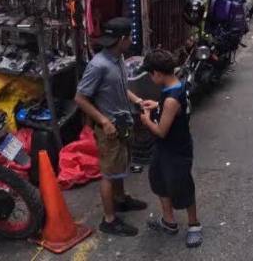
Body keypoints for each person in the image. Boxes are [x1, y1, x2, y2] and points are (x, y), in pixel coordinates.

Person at [75, 18, 149, 237]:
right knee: (108, 173)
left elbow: (121, 87)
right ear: (122, 39)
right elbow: (80, 98)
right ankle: (109, 219)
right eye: (129, 37)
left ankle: (120, 200)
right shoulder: (98, 65)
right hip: (109, 129)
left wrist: (136, 100)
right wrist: (104, 121)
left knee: (120, 166)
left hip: (122, 125)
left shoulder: (118, 58)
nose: (131, 40)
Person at [140, 49, 202, 248]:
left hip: (176, 149)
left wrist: (146, 119)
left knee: (182, 186)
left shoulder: (171, 99)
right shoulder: (176, 85)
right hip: (164, 149)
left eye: (151, 74)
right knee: (158, 179)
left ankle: (194, 225)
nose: (150, 78)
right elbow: (169, 109)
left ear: (158, 73)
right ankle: (169, 221)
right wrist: (156, 105)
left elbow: (160, 131)